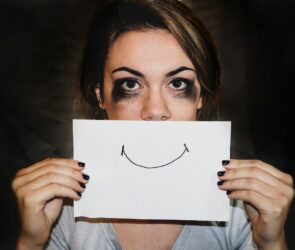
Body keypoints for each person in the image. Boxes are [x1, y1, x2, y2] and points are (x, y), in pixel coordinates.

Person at [12, 0, 294, 249]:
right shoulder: (62, 209)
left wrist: (271, 243)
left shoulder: (242, 210)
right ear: (100, 96)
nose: (155, 110)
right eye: (131, 84)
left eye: (178, 83)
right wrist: (31, 243)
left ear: (201, 97)